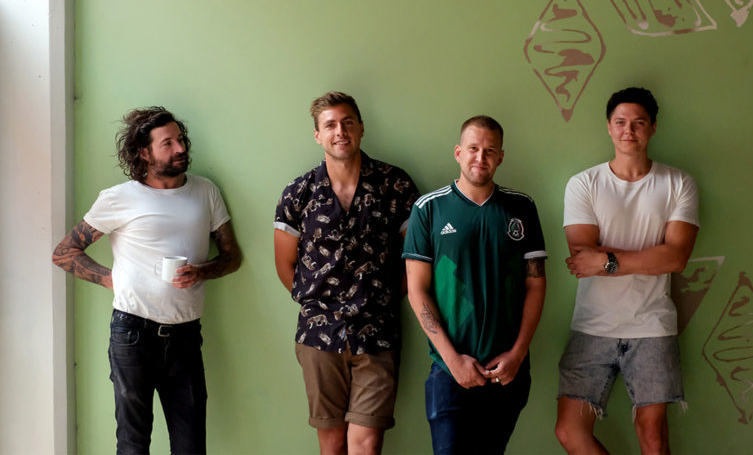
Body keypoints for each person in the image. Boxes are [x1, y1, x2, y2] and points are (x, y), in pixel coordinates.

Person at [52, 107, 242, 454]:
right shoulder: (119, 197)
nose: (180, 148)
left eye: (180, 140)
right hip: (132, 333)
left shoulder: (205, 191)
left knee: (190, 447)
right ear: (144, 152)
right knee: (132, 443)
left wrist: (201, 271)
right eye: (167, 143)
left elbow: (232, 257)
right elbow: (64, 252)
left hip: (185, 336)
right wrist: (111, 279)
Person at [555, 87, 699, 455]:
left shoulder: (678, 183)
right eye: (620, 122)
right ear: (608, 126)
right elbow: (581, 256)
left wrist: (607, 262)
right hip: (591, 325)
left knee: (653, 436)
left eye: (638, 123)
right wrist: (648, 257)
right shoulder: (584, 183)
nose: (628, 130)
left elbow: (676, 258)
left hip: (652, 325)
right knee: (570, 431)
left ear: (653, 127)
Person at [273, 91, 419, 455]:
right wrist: (318, 305)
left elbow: (415, 257)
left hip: (378, 333)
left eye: (348, 122)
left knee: (366, 445)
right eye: (330, 125)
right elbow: (285, 265)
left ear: (361, 128)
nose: (340, 131)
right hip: (318, 336)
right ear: (318, 135)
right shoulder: (298, 193)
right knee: (332, 443)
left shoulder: (395, 185)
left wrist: (386, 300)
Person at [403, 115, 547, 455]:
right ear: (458, 152)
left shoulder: (521, 207)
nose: (480, 157)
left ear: (500, 157)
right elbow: (417, 290)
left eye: (489, 150)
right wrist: (453, 360)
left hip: (507, 370)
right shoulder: (429, 209)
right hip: (448, 369)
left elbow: (536, 284)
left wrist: (518, 354)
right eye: (473, 149)